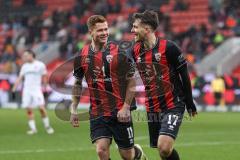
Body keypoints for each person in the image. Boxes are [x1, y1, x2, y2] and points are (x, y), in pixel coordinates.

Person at [70, 15, 147, 160]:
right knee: (101, 151)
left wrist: (125, 107)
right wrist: (74, 107)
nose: (104, 33)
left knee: (127, 156)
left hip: (119, 111)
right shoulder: (82, 55)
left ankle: (138, 154)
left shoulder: (120, 52)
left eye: (106, 29)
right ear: (91, 32)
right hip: (98, 111)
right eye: (100, 30)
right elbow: (77, 83)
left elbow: (132, 82)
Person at [130, 10, 197, 160]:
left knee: (164, 147)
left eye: (135, 27)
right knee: (162, 152)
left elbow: (184, 75)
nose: (132, 30)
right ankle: (140, 156)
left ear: (146, 29)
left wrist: (189, 102)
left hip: (174, 103)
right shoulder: (134, 51)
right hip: (152, 106)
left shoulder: (169, 48)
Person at [12, 50, 54, 135]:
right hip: (27, 90)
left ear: (31, 55)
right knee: (29, 109)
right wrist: (14, 88)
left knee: (41, 108)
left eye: (26, 55)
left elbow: (44, 77)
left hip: (36, 90)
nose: (24, 57)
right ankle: (33, 129)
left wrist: (45, 88)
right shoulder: (24, 66)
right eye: (24, 56)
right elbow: (20, 78)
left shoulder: (40, 65)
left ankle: (47, 126)